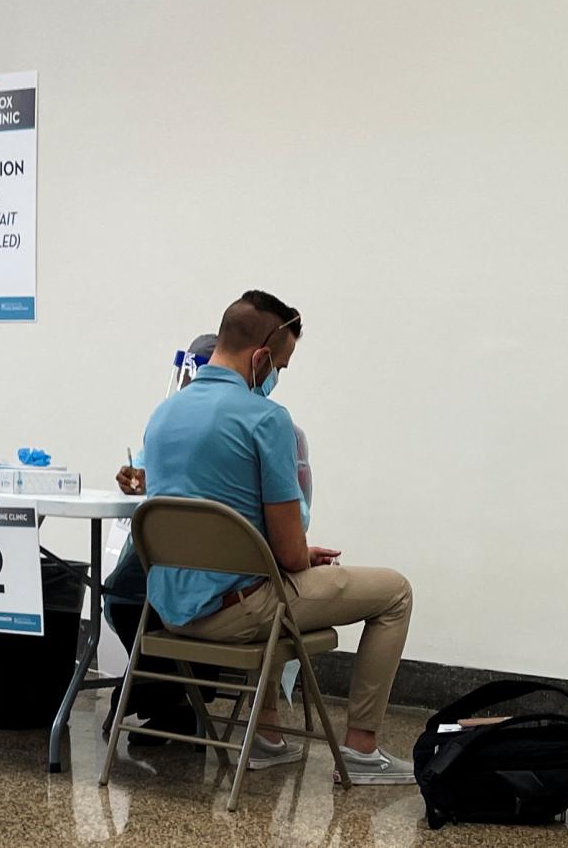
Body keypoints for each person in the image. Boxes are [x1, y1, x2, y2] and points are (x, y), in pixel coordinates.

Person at [141, 290, 415, 785]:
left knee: (261, 581)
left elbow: (211, 525)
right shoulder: (266, 419)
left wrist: (278, 554)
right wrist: (298, 554)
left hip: (169, 613)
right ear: (262, 356)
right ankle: (360, 750)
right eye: (281, 368)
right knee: (394, 591)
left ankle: (266, 736)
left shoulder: (163, 415)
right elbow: (289, 555)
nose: (276, 379)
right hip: (235, 612)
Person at [103, 334, 219, 745]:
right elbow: (159, 478)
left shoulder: (259, 426)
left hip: (216, 557)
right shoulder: (169, 421)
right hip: (170, 549)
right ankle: (171, 699)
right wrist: (141, 480)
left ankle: (163, 693)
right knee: (121, 594)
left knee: (169, 601)